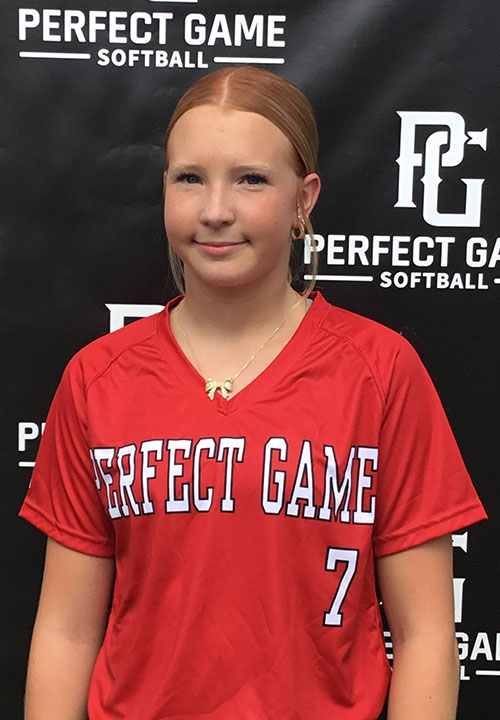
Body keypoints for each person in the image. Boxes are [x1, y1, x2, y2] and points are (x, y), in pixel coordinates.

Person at [19, 66, 486, 720]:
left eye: (251, 179)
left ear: (303, 199)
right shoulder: (97, 378)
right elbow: (67, 633)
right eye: (190, 178)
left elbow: (425, 634)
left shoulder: (381, 371)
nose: (215, 211)